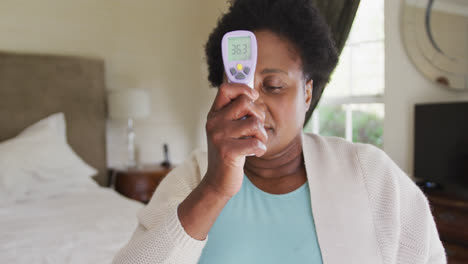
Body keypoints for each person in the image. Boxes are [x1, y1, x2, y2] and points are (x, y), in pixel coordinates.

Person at [113, 0, 446, 263]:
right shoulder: (192, 179)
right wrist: (213, 188)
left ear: (307, 93)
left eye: (273, 86)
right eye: (239, 87)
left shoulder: (371, 174)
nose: (253, 104)